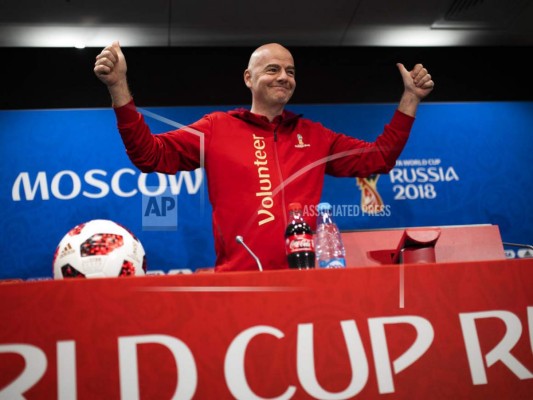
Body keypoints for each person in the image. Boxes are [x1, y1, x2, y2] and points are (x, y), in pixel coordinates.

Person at [94, 42, 434, 272]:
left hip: (306, 280)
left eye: (290, 71)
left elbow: (378, 158)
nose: (284, 77)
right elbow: (148, 154)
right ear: (249, 78)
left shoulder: (315, 136)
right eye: (273, 69)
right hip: (241, 282)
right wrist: (118, 86)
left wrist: (411, 99)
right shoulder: (216, 128)